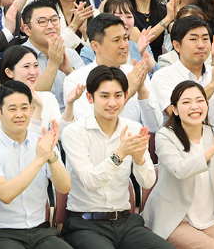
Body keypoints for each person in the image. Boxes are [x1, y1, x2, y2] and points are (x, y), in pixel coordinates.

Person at [60, 65, 172, 249]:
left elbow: (148, 183)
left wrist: (139, 160)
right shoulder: (74, 132)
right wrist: (120, 153)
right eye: (104, 96)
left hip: (125, 221)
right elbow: (90, 181)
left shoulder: (134, 129)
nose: (112, 103)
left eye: (118, 96)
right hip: (85, 223)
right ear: (90, 97)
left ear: (126, 96)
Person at [141, 80, 214, 249]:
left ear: (206, 104)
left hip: (210, 217)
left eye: (200, 101)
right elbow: (179, 170)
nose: (195, 106)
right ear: (175, 110)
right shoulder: (166, 135)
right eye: (186, 102)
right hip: (174, 218)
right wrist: (213, 149)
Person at [0, 80, 73, 249]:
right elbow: (5, 194)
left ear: (32, 109)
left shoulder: (42, 143)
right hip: (0, 234)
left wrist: (51, 157)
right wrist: (40, 159)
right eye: (12, 109)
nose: (19, 114)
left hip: (41, 232)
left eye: (24, 108)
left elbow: (64, 187)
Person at [62, 14, 163, 132]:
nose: (124, 45)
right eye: (116, 40)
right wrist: (128, 91)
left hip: (134, 145)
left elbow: (155, 126)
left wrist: (141, 90)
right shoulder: (76, 80)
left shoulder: (135, 73)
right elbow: (88, 127)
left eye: (125, 38)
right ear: (95, 46)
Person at [149, 15, 214, 125]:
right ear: (177, 45)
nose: (201, 45)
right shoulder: (162, 76)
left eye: (205, 39)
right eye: (193, 39)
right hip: (178, 140)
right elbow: (176, 115)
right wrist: (212, 85)